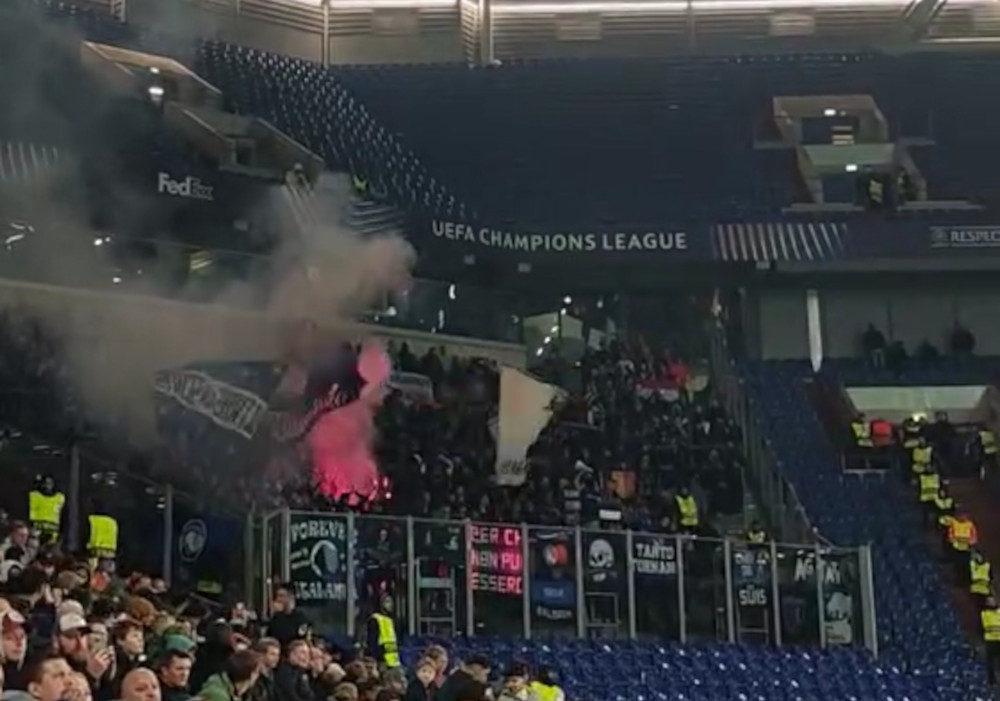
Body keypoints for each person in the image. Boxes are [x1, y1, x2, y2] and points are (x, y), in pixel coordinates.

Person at [366, 595, 400, 671]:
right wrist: (378, 658)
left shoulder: (390, 620)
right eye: (387, 602)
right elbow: (372, 642)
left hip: (393, 661)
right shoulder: (375, 619)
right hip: (381, 662)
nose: (390, 605)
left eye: (391, 602)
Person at [27, 476, 64, 544]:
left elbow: (64, 517)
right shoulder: (33, 496)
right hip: (35, 533)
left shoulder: (60, 498)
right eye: (45, 483)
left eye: (49, 483)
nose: (47, 486)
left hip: (53, 534)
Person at [983, 595, 1000, 686]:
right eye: (989, 601)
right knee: (990, 661)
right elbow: (987, 626)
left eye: (992, 600)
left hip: (999, 639)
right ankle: (992, 680)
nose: (991, 602)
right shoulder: (985, 613)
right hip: (990, 639)